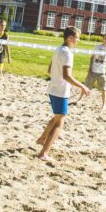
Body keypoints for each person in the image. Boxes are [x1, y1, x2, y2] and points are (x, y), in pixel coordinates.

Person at [35, 27, 90, 160]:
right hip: (60, 91)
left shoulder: (58, 49)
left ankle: (42, 138)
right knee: (60, 123)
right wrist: (82, 86)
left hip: (53, 89)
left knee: (57, 117)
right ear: (70, 38)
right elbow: (66, 76)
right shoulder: (67, 53)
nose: (78, 40)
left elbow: (49, 69)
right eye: (77, 37)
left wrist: (57, 76)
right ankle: (43, 153)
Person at [85, 31, 106, 108]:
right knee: (86, 86)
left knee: (104, 89)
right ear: (103, 39)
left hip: (102, 72)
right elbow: (92, 57)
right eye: (105, 38)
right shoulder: (97, 47)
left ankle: (104, 104)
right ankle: (80, 99)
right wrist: (90, 67)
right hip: (93, 70)